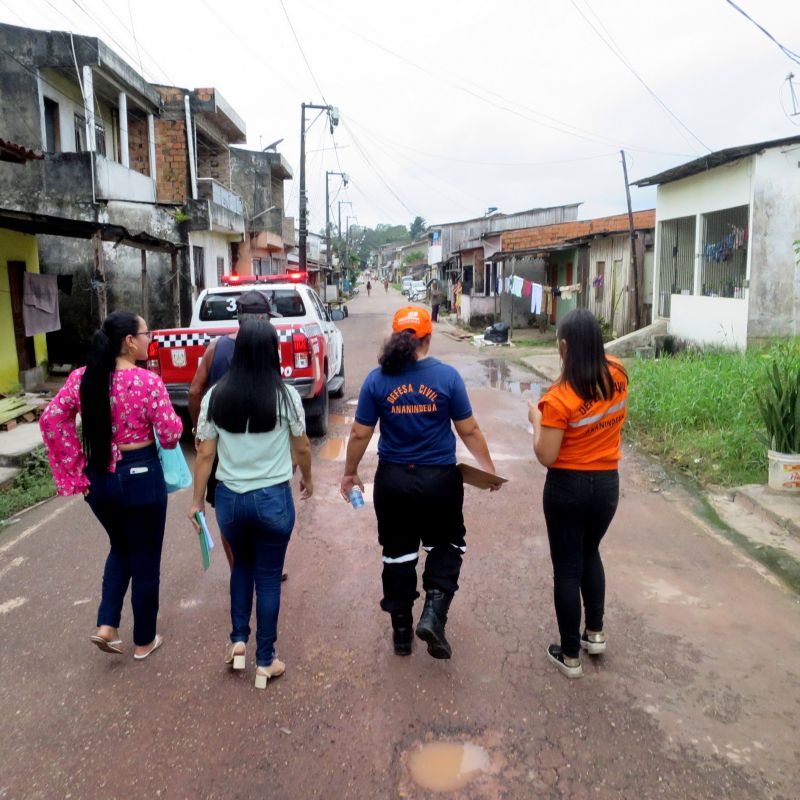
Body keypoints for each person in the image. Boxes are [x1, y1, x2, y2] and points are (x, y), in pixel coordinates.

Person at [340, 306, 499, 660]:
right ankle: (432, 614)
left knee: (397, 554)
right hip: (439, 481)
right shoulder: (447, 378)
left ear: (396, 336)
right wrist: (488, 469)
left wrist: (349, 472)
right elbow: (468, 429)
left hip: (393, 481)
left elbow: (360, 432)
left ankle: (401, 634)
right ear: (428, 337)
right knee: (446, 545)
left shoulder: (377, 379)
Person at [39, 310, 183, 659]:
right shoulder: (148, 382)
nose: (151, 339)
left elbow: (51, 419)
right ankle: (144, 640)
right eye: (146, 333)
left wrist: (76, 472)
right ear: (129, 341)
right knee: (145, 558)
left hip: (100, 478)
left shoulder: (81, 379)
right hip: (142, 477)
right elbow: (169, 436)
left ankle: (107, 625)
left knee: (121, 547)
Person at [189, 319, 313, 689]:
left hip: (230, 501)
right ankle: (265, 661)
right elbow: (302, 446)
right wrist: (308, 477)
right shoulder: (286, 396)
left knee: (241, 567)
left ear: (238, 350)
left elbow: (205, 454)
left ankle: (238, 640)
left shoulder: (216, 396)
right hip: (273, 498)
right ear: (273, 351)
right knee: (269, 579)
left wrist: (196, 501)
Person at [528, 308, 628, 679]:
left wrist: (536, 420)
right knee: (590, 553)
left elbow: (546, 455)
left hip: (568, 487)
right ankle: (595, 633)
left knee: (567, 567)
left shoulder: (557, 399)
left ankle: (570, 654)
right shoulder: (617, 372)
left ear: (565, 347)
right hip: (606, 485)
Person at [188, 290, 282, 573]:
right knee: (265, 506)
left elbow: (194, 390)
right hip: (262, 443)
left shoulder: (214, 348)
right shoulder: (268, 347)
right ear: (263, 319)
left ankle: (238, 569)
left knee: (228, 510)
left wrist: (198, 426)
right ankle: (264, 565)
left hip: (222, 443)